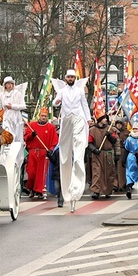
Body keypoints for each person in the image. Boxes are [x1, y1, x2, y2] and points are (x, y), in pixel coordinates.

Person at [52, 69, 91, 212]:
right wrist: (56, 101)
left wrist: (88, 118)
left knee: (79, 149)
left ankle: (77, 187)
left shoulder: (80, 91)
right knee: (65, 148)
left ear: (75, 78)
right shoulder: (62, 91)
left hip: (78, 118)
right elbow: (55, 103)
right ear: (65, 78)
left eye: (72, 77)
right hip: (67, 119)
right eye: (68, 77)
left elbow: (85, 105)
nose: (70, 79)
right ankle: (67, 185)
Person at [24, 108, 58, 200]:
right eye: (42, 116)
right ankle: (31, 188)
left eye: (45, 116)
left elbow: (54, 141)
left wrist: (50, 149)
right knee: (31, 172)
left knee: (41, 173)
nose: (43, 117)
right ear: (39, 116)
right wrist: (32, 135)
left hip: (43, 152)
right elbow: (26, 137)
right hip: (33, 152)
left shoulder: (50, 127)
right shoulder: (32, 125)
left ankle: (39, 191)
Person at [88, 114, 118, 200]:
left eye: (106, 118)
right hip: (97, 154)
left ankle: (108, 190)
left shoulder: (110, 129)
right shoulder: (92, 130)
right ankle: (96, 191)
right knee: (97, 172)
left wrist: (109, 136)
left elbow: (115, 141)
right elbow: (89, 143)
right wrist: (94, 150)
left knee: (108, 173)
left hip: (107, 153)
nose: (105, 120)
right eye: (104, 118)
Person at [0, 76, 27, 143]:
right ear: (5, 85)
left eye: (11, 83)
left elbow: (23, 106)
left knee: (17, 137)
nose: (10, 85)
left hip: (16, 117)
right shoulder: (2, 95)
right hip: (7, 117)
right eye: (8, 83)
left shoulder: (18, 94)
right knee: (7, 135)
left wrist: (12, 106)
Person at [123, 126, 138, 199]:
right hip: (131, 158)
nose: (135, 130)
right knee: (129, 173)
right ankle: (129, 189)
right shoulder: (129, 139)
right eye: (134, 129)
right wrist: (123, 159)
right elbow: (126, 149)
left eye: (136, 129)